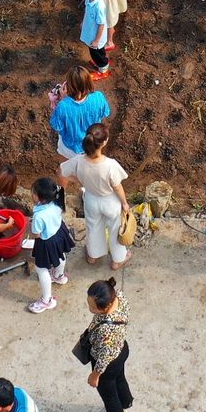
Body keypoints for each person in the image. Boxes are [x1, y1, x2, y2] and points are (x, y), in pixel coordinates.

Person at [60, 123, 132, 270]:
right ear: (104, 142)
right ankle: (117, 260)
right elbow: (117, 187)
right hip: (110, 202)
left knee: (93, 227)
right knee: (115, 229)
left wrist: (80, 180)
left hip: (91, 200)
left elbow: (61, 172)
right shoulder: (110, 165)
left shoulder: (78, 161)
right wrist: (124, 203)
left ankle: (93, 256)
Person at [82, 278, 133, 412]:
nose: (89, 309)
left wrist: (95, 375)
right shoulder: (119, 296)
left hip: (107, 364)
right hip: (121, 350)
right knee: (120, 379)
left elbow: (104, 356)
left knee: (109, 397)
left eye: (93, 308)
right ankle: (125, 405)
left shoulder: (106, 328)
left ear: (105, 307)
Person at [26, 177, 76, 314]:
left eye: (33, 192)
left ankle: (46, 300)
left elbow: (36, 235)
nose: (31, 194)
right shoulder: (57, 203)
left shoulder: (38, 216)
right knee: (61, 255)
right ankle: (59, 276)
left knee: (41, 269)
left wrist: (31, 226)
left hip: (46, 242)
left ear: (40, 198)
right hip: (59, 232)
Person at [51, 67, 111, 161]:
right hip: (93, 144)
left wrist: (62, 100)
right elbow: (105, 113)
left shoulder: (63, 106)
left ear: (68, 85)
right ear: (88, 81)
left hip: (71, 146)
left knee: (66, 167)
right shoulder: (98, 97)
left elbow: (57, 126)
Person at [78, 0, 111, 75]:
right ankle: (100, 62)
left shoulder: (99, 7)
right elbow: (87, 12)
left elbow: (101, 24)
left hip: (96, 36)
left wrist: (97, 40)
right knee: (96, 52)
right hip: (90, 30)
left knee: (96, 52)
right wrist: (83, 22)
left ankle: (103, 68)